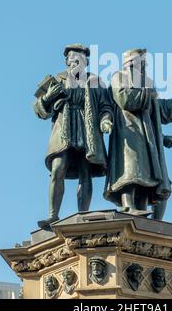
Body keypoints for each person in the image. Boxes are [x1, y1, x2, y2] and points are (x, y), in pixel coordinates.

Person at [104, 48, 172, 217]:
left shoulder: (147, 83)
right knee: (130, 170)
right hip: (128, 131)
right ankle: (128, 206)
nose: (144, 65)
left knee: (147, 176)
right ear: (131, 62)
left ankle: (142, 209)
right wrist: (148, 93)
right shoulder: (119, 77)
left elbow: (158, 110)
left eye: (145, 62)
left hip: (148, 137)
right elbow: (125, 99)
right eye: (141, 62)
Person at [34, 43, 113, 228]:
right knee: (57, 169)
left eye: (80, 59)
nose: (76, 61)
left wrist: (105, 120)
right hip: (63, 132)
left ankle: (83, 214)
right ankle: (53, 215)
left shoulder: (95, 81)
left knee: (85, 172)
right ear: (66, 61)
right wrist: (47, 98)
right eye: (72, 58)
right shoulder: (56, 80)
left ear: (85, 62)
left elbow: (105, 106)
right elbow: (38, 110)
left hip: (88, 131)